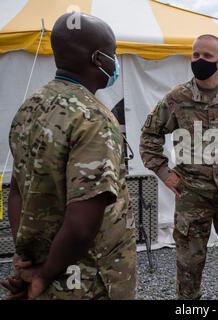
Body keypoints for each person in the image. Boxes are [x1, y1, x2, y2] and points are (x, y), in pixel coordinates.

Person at [0, 13, 136, 300]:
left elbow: (17, 191)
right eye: (112, 54)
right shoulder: (93, 118)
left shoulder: (29, 108)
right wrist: (44, 275)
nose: (115, 61)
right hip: (88, 277)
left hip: (46, 267)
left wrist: (29, 262)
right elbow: (82, 224)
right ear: (99, 59)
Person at [140, 34, 218, 299]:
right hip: (192, 196)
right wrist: (166, 174)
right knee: (189, 266)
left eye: (207, 56)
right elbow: (149, 136)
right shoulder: (177, 98)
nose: (199, 60)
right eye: (196, 55)